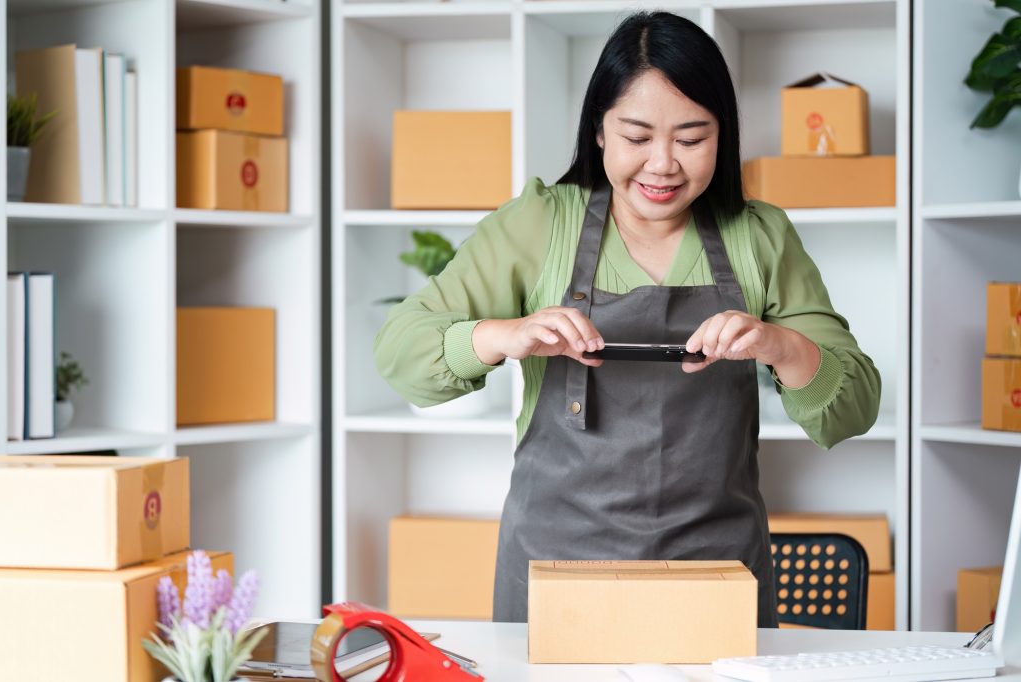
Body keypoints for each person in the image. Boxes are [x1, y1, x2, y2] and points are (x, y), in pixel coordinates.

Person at [374, 11, 881, 627]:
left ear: (723, 136)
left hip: (718, 579)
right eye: (637, 137)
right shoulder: (538, 223)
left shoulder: (760, 237)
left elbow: (853, 408)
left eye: (691, 138)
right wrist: (505, 335)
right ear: (598, 131)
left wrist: (781, 346)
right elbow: (400, 353)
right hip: (554, 577)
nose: (663, 164)